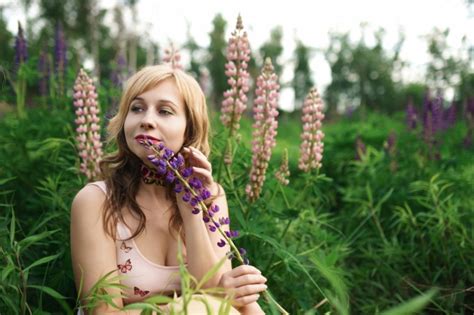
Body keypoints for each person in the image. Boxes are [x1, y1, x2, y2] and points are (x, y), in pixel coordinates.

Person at [70, 64, 267, 314]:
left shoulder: (212, 196)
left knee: (246, 302)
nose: (147, 120)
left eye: (164, 111)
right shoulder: (95, 201)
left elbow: (211, 293)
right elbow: (100, 312)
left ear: (189, 128)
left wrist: (192, 208)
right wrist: (195, 303)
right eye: (137, 108)